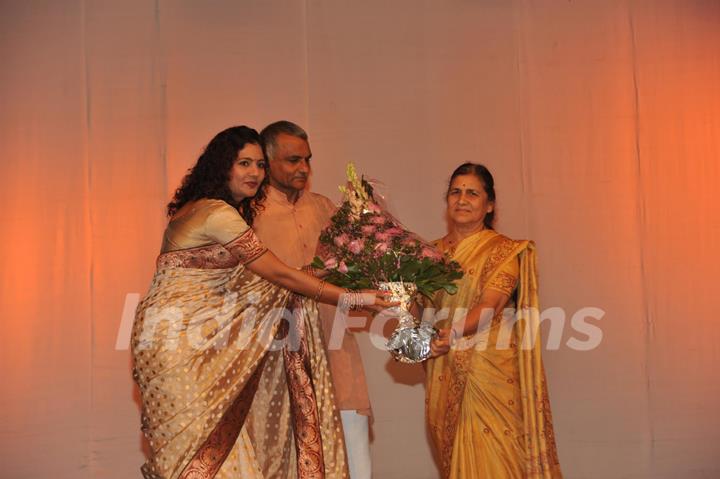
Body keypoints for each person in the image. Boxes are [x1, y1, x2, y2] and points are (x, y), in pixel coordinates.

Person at [130, 126, 393, 479]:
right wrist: (354, 297)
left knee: (216, 448)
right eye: (243, 164)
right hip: (180, 343)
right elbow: (277, 275)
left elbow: (245, 284)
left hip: (176, 336)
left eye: (258, 165)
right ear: (223, 166)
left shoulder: (203, 210)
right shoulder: (217, 214)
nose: (254, 173)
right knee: (200, 451)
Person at [424, 163, 562, 478]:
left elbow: (490, 304)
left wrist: (451, 333)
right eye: (455, 192)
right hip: (442, 370)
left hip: (489, 372)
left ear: (489, 205)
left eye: (472, 193)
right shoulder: (429, 254)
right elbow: (418, 309)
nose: (462, 199)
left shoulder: (504, 251)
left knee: (499, 460)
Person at [252, 121, 374, 479]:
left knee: (354, 451)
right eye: (292, 160)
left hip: (335, 348)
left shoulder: (324, 209)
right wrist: (302, 273)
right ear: (268, 161)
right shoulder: (249, 216)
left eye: (307, 159)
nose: (303, 168)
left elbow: (351, 269)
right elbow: (247, 287)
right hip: (280, 353)